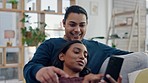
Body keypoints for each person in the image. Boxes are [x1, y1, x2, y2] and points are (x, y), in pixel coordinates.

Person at [23, 5, 130, 83]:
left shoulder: (97, 47)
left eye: (82, 25)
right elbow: (30, 67)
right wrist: (39, 71)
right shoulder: (50, 44)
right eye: (72, 24)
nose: (77, 30)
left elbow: (128, 55)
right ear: (64, 23)